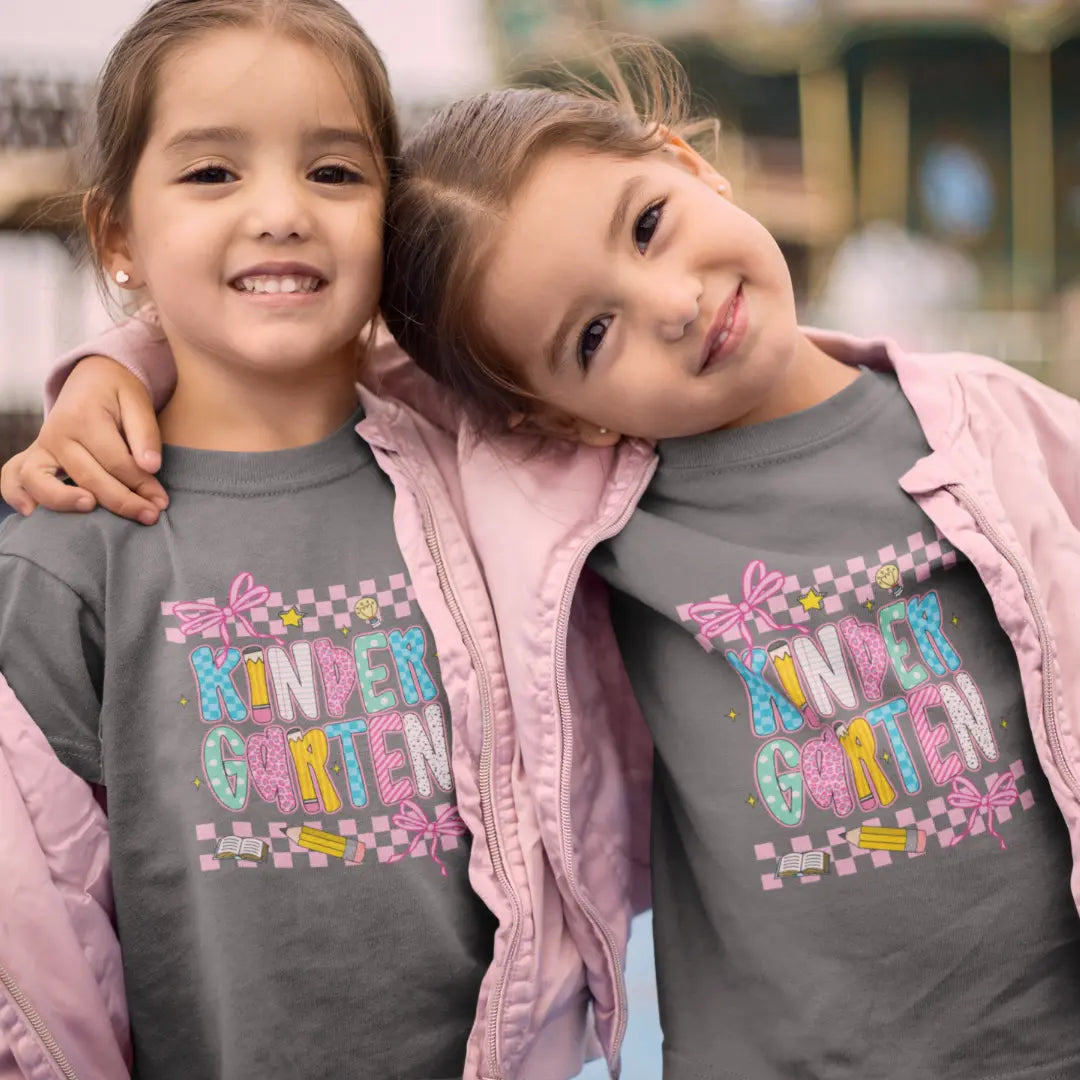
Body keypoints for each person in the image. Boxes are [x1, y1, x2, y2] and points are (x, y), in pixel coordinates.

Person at [10, 40, 1080, 1080]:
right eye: (592, 338)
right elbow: (340, 338)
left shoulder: (993, 429)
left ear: (688, 160)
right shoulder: (570, 501)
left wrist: (125, 353)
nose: (672, 305)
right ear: (550, 417)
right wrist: (123, 359)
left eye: (651, 223)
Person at [0, 5, 652, 1079]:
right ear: (118, 235)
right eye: (213, 173)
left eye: (337, 174)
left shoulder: (490, 480)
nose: (282, 212)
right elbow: (39, 933)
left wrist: (125, 355)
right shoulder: (72, 550)